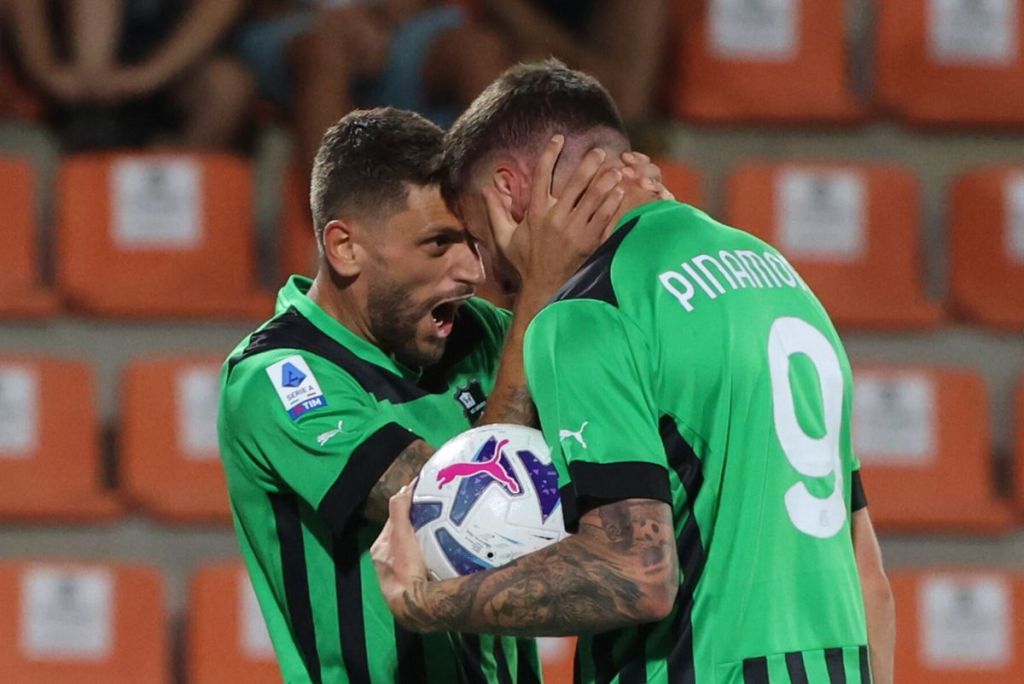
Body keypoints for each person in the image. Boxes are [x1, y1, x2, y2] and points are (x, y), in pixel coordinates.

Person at [372, 61, 897, 684]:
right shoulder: (776, 275)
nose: (486, 269)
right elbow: (866, 571)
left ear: (509, 190)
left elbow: (636, 573)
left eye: (478, 237)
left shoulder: (589, 312)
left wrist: (426, 602)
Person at [217, 106, 659, 683]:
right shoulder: (278, 377)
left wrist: (637, 227)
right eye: (438, 244)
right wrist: (541, 286)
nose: (471, 271)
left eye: (471, 241)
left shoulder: (484, 334)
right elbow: (462, 513)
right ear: (345, 247)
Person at [7, 0, 252, 150]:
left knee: (227, 86)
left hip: (169, 72)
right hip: (77, 82)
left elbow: (219, 9)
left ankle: (167, 190)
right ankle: (91, 126)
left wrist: (148, 77)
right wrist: (44, 69)